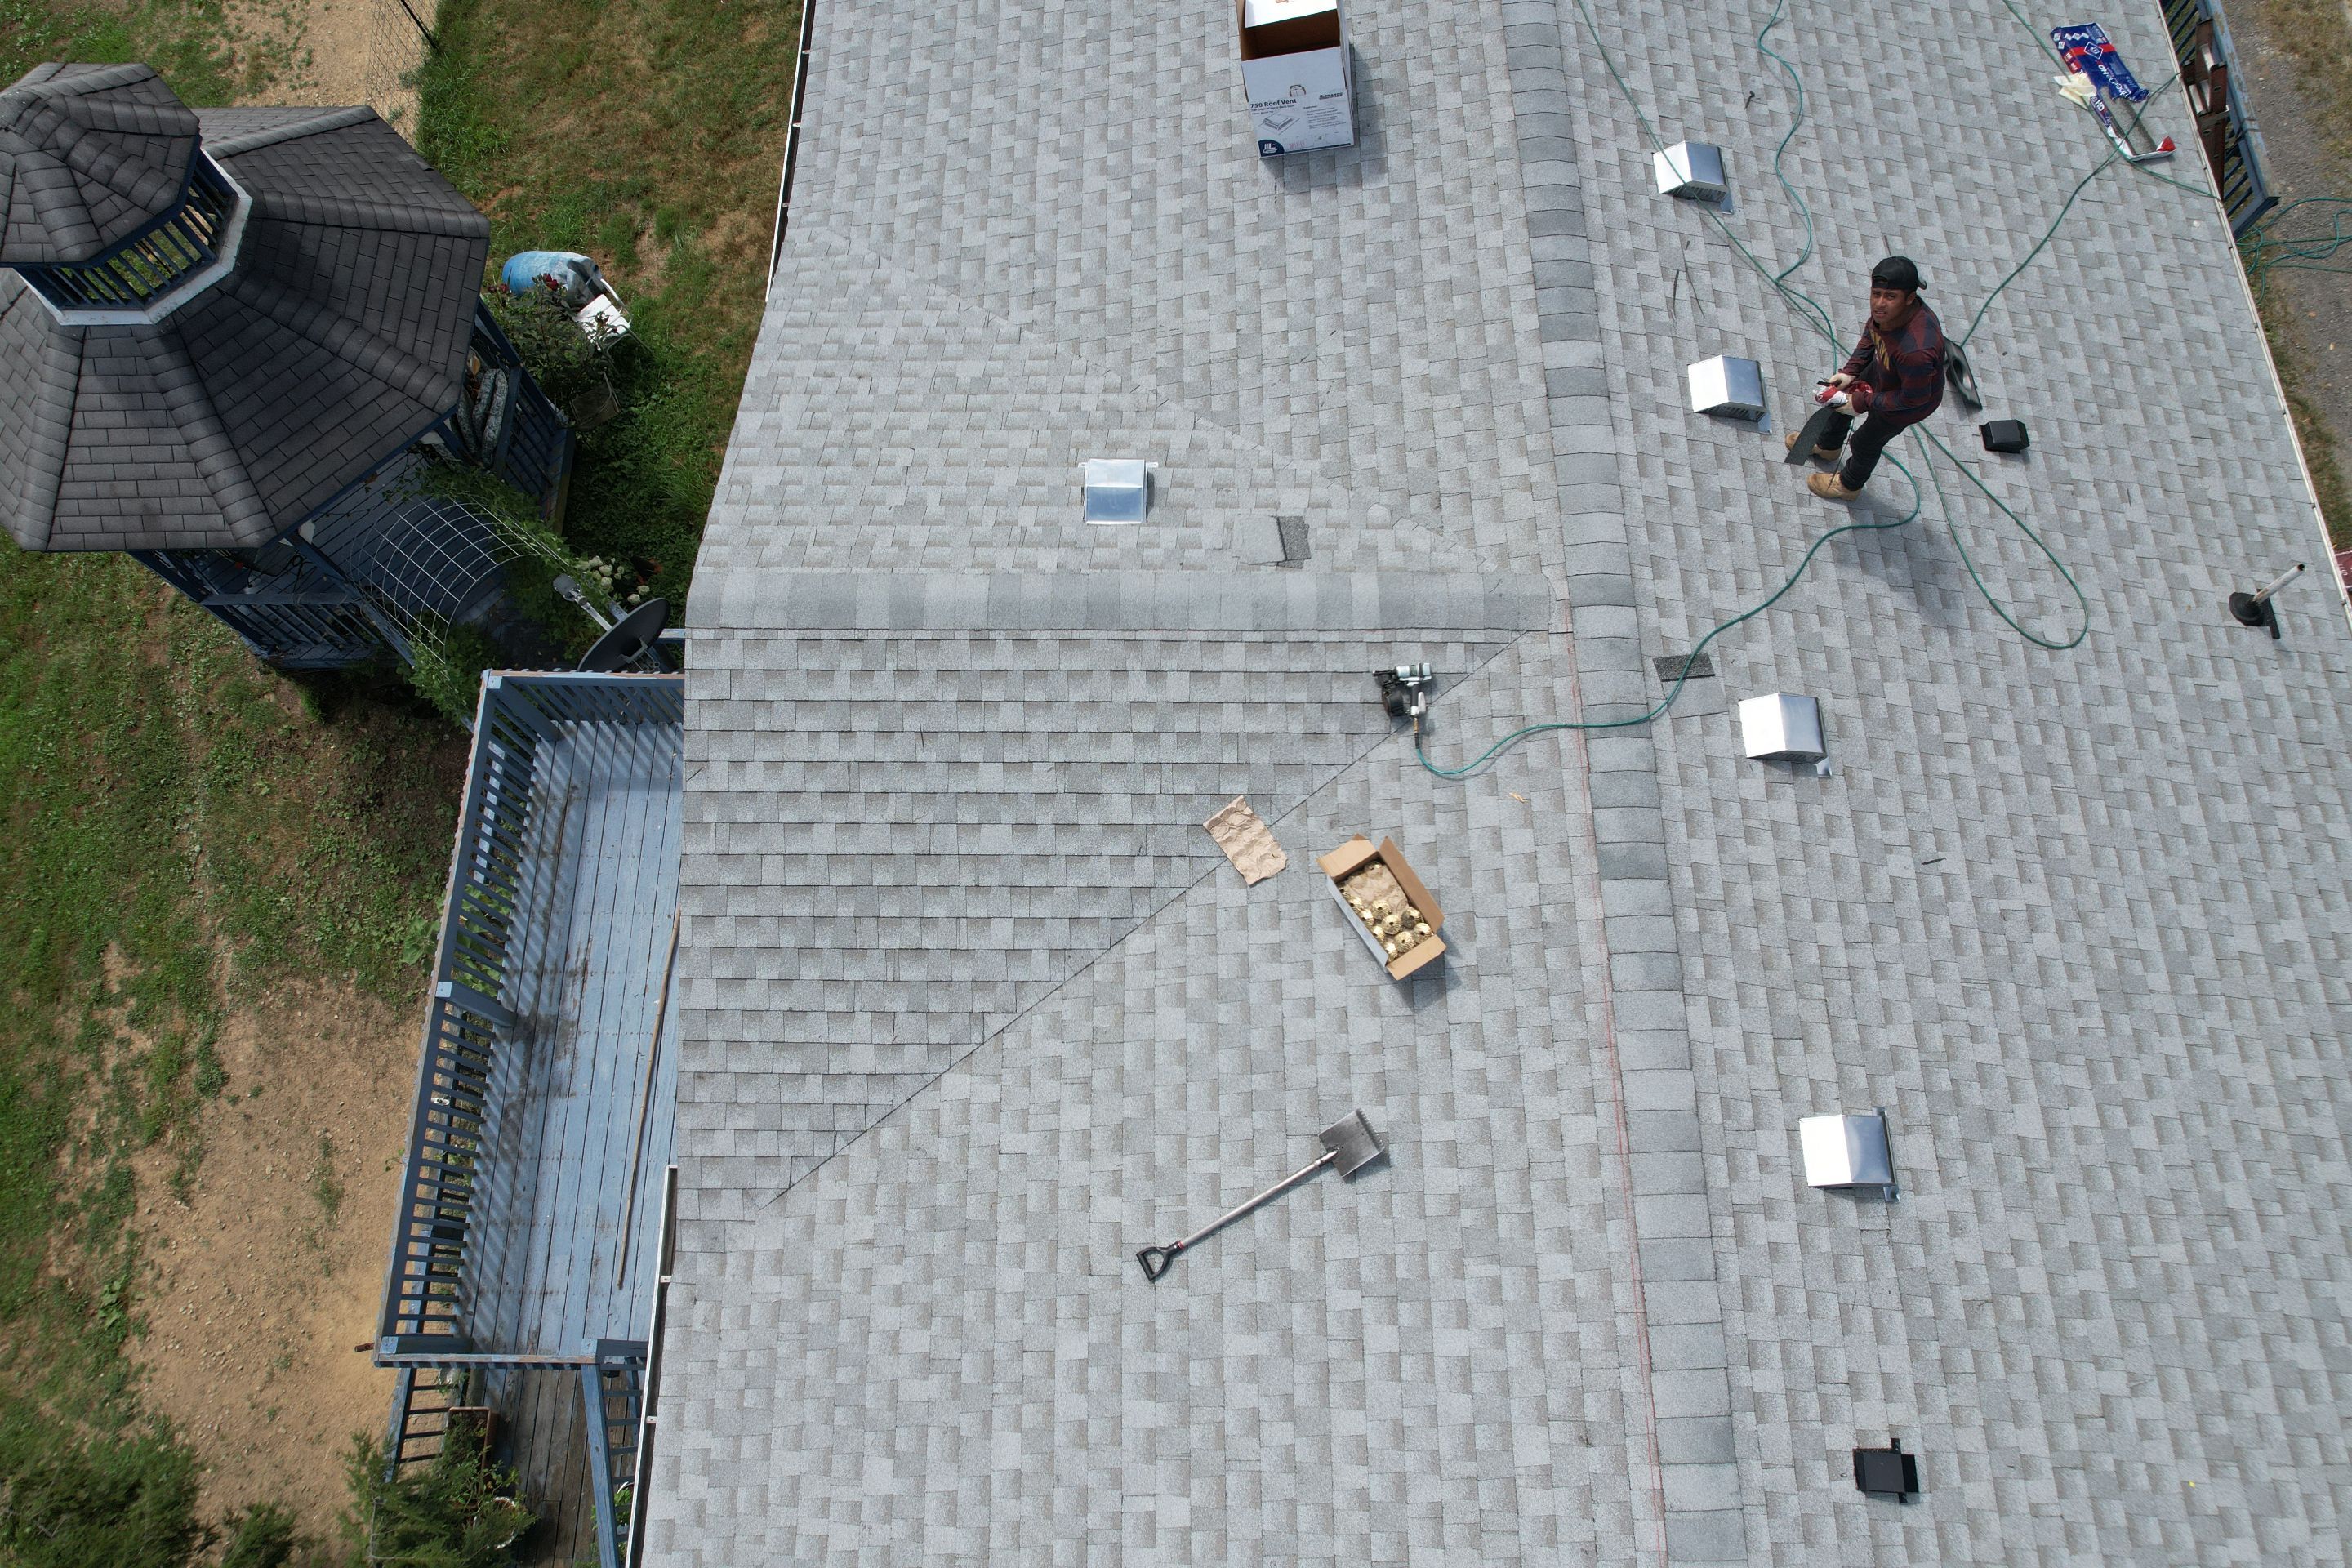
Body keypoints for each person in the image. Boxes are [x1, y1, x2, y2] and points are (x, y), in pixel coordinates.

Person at [1788, 256, 1944, 501]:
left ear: (1910, 299)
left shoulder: (1917, 350)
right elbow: (1871, 335)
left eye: (1890, 297)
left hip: (1909, 400)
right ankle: (1828, 447)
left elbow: (1912, 398)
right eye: (1876, 293)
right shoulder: (1887, 315)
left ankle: (1849, 486)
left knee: (1865, 442)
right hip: (1886, 368)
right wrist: (1851, 372)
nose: (1879, 304)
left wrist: (1863, 402)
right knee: (1840, 398)